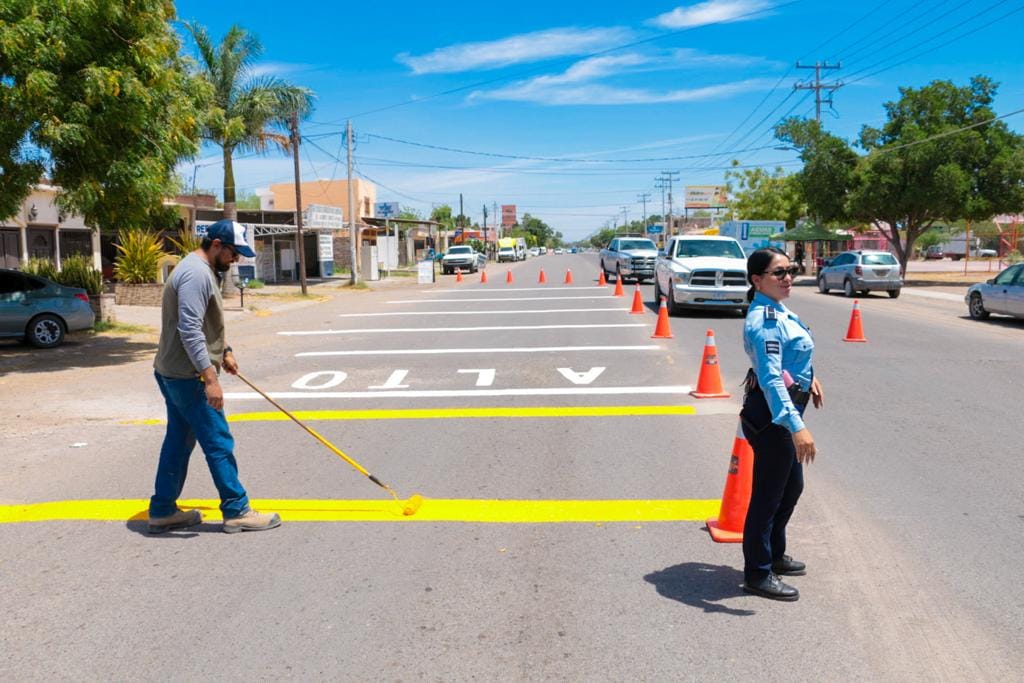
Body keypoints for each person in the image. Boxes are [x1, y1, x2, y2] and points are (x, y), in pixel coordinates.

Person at [148, 219, 281, 534]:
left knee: (179, 441)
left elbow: (205, 325)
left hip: (172, 370)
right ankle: (236, 509)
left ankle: (163, 510)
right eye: (234, 253)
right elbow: (190, 329)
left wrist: (226, 351)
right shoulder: (195, 274)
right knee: (217, 440)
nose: (236, 260)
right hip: (188, 375)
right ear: (217, 245)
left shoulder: (200, 269)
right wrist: (210, 377)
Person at [739, 247, 824, 601]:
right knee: (767, 497)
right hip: (774, 416)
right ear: (758, 280)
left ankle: (774, 552)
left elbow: (790, 358)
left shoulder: (778, 308)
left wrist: (810, 379)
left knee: (791, 487)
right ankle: (758, 573)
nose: (788, 277)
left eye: (790, 270)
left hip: (785, 407)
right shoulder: (765, 321)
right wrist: (796, 427)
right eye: (779, 272)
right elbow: (772, 379)